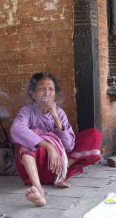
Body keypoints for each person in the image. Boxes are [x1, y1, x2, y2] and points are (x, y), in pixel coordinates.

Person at [11, 72, 102, 207]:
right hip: (37, 167)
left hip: (58, 165)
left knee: (94, 134)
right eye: (42, 89)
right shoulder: (26, 111)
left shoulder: (59, 112)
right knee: (26, 144)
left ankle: (61, 174)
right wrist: (48, 146)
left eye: (51, 89)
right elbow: (16, 129)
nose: (47, 93)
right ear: (33, 94)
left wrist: (55, 116)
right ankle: (39, 190)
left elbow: (69, 146)